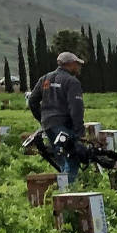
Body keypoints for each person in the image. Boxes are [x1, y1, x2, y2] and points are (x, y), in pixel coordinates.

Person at [31, 50, 87, 187]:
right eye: (77, 64)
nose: (79, 67)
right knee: (72, 158)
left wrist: (43, 119)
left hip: (49, 126)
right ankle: (68, 193)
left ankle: (61, 190)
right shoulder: (72, 82)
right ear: (71, 64)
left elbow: (32, 100)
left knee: (62, 158)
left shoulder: (45, 78)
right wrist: (80, 132)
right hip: (63, 125)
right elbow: (76, 108)